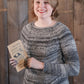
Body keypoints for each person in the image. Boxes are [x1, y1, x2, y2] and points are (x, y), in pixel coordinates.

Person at [10, 0, 80, 84]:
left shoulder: (62, 31)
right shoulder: (26, 30)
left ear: (53, 7)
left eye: (46, 2)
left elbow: (74, 69)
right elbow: (28, 61)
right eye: (38, 2)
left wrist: (41, 65)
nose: (41, 6)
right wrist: (19, 62)